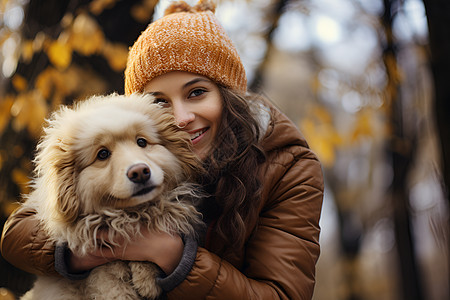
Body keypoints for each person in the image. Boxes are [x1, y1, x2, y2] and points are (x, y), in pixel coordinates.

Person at [1, 0, 324, 299]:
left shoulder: (287, 165)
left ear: (228, 95)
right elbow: (18, 233)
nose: (181, 118)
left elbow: (282, 294)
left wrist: (172, 255)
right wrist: (95, 247)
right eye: (159, 102)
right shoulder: (141, 146)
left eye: (197, 92)